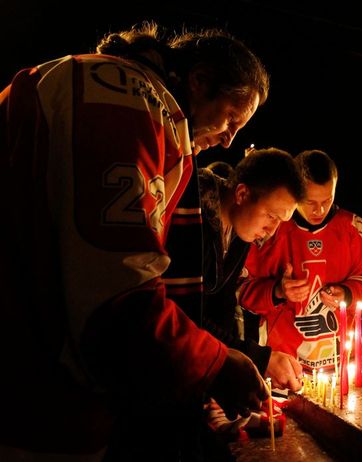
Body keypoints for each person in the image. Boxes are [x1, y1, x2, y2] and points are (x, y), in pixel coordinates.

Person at [0, 22, 269, 461]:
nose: (229, 139)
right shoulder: (124, 101)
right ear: (198, 81)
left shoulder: (90, 82)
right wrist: (215, 364)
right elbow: (115, 297)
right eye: (231, 119)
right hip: (34, 403)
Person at [238, 150, 362, 374]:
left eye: (327, 200)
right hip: (284, 368)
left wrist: (348, 293)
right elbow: (241, 292)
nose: (319, 210)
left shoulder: (355, 230)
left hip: (342, 368)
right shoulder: (270, 229)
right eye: (310, 202)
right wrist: (277, 291)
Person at [198, 151, 305, 391]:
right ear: (242, 194)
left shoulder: (240, 231)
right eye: (270, 215)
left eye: (280, 221)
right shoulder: (196, 216)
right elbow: (187, 314)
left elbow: (222, 306)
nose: (271, 230)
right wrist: (259, 358)